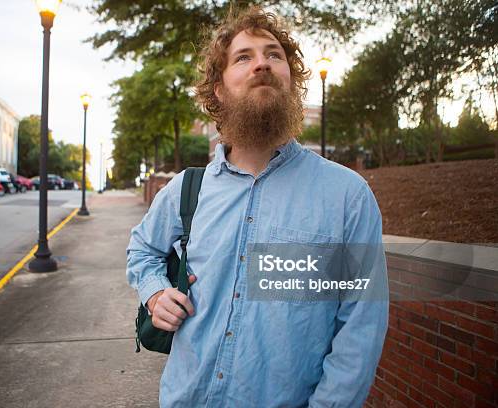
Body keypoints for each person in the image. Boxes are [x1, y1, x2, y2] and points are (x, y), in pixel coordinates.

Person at [127, 6, 388, 407]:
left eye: (274, 55)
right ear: (218, 89)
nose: (261, 64)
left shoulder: (347, 196)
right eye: (243, 57)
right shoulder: (186, 190)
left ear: (291, 79)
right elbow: (142, 248)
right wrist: (155, 292)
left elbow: (359, 329)